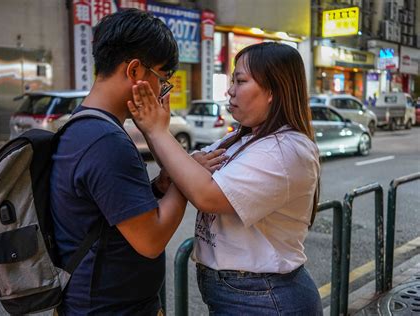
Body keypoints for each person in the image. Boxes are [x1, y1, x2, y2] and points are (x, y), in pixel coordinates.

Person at [50, 9, 225, 315]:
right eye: (162, 79)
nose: (161, 92)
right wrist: (188, 177)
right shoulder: (105, 141)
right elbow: (151, 239)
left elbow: (110, 213)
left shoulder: (85, 126)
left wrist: (160, 185)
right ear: (134, 72)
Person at [128, 42, 323, 315]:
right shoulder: (243, 137)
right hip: (243, 294)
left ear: (273, 91)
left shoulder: (286, 149)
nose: (230, 90)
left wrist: (158, 131)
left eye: (240, 81)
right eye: (233, 80)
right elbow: (181, 167)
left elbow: (207, 195)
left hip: (263, 298)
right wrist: (153, 129)